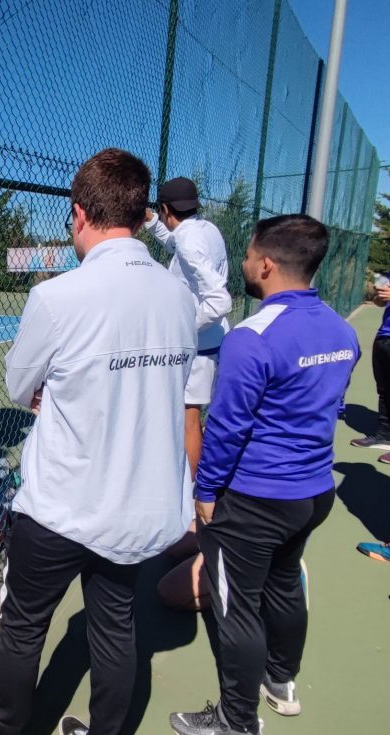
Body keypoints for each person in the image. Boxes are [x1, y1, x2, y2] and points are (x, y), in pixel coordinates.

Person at [0, 148, 196, 735]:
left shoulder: (58, 297)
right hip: (136, 508)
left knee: (24, 627)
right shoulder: (177, 297)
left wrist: (52, 389)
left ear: (79, 214)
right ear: (139, 214)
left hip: (59, 506)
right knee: (116, 625)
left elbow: (18, 386)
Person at [169, 215, 359, 735]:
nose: (245, 265)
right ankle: (281, 682)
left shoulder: (251, 338)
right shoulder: (342, 331)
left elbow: (227, 428)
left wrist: (205, 492)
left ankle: (235, 722)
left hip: (254, 501)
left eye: (249, 256)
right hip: (313, 493)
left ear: (267, 265)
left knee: (236, 610)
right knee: (284, 587)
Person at [145, 177, 232, 612]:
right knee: (188, 418)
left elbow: (219, 301)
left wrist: (181, 325)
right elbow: (183, 245)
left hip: (196, 346)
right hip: (209, 346)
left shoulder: (192, 242)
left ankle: (196, 510)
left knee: (187, 419)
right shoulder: (204, 230)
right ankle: (192, 513)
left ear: (165, 207)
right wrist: (155, 227)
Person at [348, 273, 390, 461]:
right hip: (384, 338)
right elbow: (381, 303)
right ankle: (384, 435)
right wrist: (380, 298)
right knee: (384, 390)